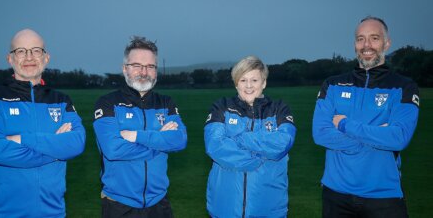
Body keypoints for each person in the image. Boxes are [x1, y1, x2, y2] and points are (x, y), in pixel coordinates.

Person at [312, 16, 420, 218]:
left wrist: (345, 124)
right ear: (355, 44)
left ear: (387, 43)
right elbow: (320, 134)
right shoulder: (333, 84)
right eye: (360, 39)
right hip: (336, 196)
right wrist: (376, 136)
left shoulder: (404, 86)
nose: (366, 45)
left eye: (374, 38)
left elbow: (398, 137)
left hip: (384, 198)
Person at [0, 29, 86, 217]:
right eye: (21, 51)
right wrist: (55, 151)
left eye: (35, 50)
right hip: (3, 212)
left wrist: (21, 139)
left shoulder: (61, 100)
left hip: (53, 212)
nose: (29, 57)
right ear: (10, 59)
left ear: (46, 57)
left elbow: (77, 143)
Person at [93, 36, 187, 218]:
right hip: (119, 205)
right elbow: (113, 149)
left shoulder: (166, 103)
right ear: (124, 68)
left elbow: (180, 140)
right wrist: (160, 144)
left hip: (159, 204)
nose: (144, 72)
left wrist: (136, 136)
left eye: (150, 66)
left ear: (156, 71)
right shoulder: (107, 103)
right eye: (137, 65)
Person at [204, 56, 297, 218]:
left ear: (264, 83)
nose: (248, 86)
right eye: (243, 80)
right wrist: (258, 155)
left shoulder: (279, 109)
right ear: (236, 83)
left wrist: (239, 138)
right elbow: (215, 145)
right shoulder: (221, 107)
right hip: (225, 208)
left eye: (254, 80)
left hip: (269, 209)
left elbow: (282, 143)